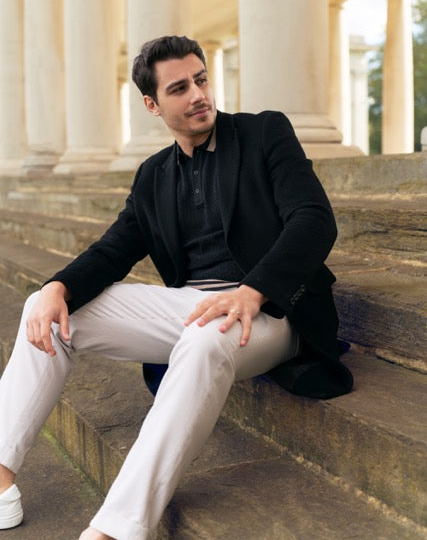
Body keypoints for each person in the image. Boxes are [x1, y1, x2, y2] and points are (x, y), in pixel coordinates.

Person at [0, 35, 353, 540]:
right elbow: (112, 251)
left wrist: (253, 290)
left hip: (273, 309)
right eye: (180, 88)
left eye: (201, 80)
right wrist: (58, 285)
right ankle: (1, 479)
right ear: (152, 105)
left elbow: (314, 221)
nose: (198, 95)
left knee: (207, 337)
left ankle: (117, 529)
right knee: (47, 306)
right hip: (193, 306)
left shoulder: (264, 133)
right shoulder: (153, 175)